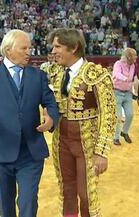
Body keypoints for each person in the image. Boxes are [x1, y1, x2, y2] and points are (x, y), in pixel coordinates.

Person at [0, 29, 59, 217]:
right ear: (8, 51)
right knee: (5, 205)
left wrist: (51, 119)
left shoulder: (38, 75)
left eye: (30, 48)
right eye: (24, 48)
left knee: (28, 201)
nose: (29, 52)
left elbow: (50, 102)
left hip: (31, 153)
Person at [46, 28, 116, 217]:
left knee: (86, 193)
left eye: (57, 46)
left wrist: (102, 152)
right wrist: (1, 60)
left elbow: (108, 114)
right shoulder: (52, 71)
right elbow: (22, 73)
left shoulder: (97, 74)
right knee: (66, 190)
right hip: (61, 140)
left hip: (87, 143)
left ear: (74, 47)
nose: (53, 51)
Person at [112, 48, 137, 145]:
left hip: (127, 93)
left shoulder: (133, 66)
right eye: (134, 55)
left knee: (130, 114)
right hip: (117, 92)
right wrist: (125, 79)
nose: (136, 57)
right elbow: (116, 74)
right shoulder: (118, 64)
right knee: (118, 117)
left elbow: (133, 79)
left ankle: (124, 132)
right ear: (128, 56)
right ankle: (116, 137)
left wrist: (133, 92)